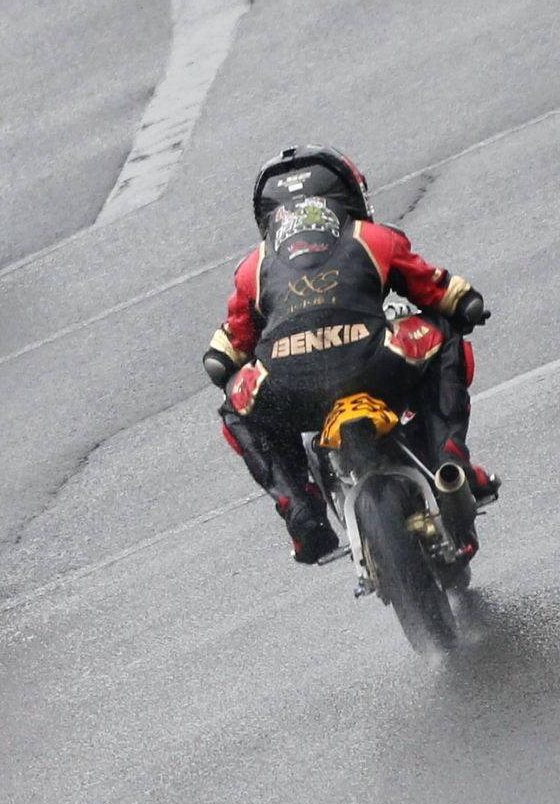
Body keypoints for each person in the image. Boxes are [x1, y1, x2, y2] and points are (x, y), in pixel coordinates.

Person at [201, 146, 495, 565]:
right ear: (351, 197)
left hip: (291, 388)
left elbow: (228, 347)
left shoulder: (254, 266)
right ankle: (451, 460)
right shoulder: (375, 238)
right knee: (445, 334)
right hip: (376, 365)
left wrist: (224, 363)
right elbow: (438, 291)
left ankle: (301, 512)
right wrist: (466, 304)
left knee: (236, 406)